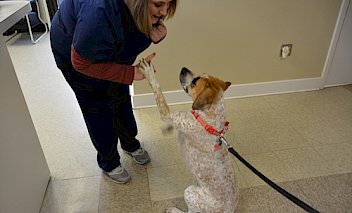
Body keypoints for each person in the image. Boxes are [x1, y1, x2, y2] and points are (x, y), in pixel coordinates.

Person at [50, 0, 177, 183]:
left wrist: (152, 33)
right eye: (158, 4)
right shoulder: (98, 12)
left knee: (120, 94)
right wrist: (129, 72)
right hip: (75, 54)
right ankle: (109, 162)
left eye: (169, 3)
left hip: (104, 38)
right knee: (98, 107)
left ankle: (129, 142)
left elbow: (129, 31)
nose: (165, 11)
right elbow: (81, 63)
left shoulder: (129, 11)